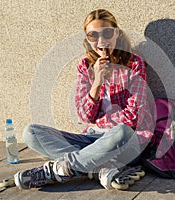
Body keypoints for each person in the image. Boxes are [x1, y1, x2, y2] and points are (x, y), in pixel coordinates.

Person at [14, 9, 155, 191]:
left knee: (120, 131)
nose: (101, 41)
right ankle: (98, 168)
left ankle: (59, 169)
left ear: (116, 33)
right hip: (93, 139)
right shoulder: (85, 66)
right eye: (93, 35)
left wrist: (101, 123)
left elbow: (134, 117)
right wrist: (96, 81)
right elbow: (84, 115)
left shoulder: (134, 63)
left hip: (127, 142)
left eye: (107, 33)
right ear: (87, 38)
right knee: (31, 133)